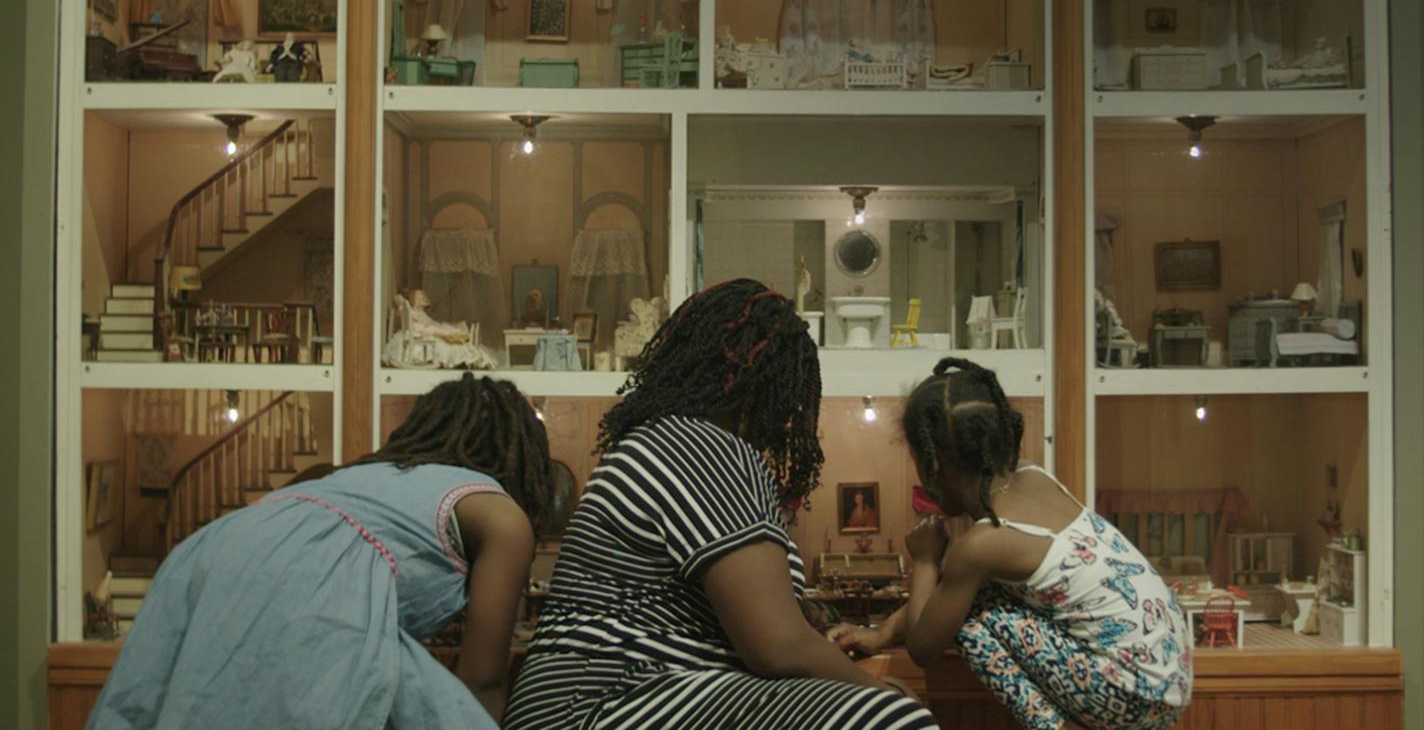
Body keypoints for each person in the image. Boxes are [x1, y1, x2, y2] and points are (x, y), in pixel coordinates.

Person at [504, 278, 936, 730]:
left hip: (594, 701)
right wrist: (876, 691)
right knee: (890, 720)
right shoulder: (701, 446)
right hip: (607, 702)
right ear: (771, 384)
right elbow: (778, 646)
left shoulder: (661, 442)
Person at [86, 373, 552, 730]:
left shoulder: (346, 476)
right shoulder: (498, 515)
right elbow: (482, 680)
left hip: (206, 551)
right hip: (310, 590)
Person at [829, 358, 1191, 730]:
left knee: (969, 614)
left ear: (933, 466)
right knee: (971, 594)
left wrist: (924, 560)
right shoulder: (1034, 478)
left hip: (1134, 694)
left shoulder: (981, 545)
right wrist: (884, 633)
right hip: (1170, 677)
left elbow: (923, 647)